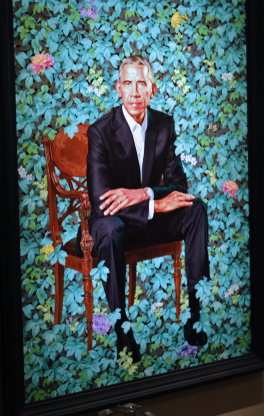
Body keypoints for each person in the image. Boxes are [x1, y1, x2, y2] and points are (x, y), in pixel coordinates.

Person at [86, 55, 210, 361]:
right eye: (128, 83)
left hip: (150, 216)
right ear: (118, 88)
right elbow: (103, 201)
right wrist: (151, 203)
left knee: (196, 208)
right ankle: (122, 329)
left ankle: (195, 314)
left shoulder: (164, 125)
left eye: (142, 83)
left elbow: (179, 186)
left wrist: (143, 194)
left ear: (152, 89)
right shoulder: (100, 131)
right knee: (110, 230)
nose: (135, 92)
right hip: (114, 221)